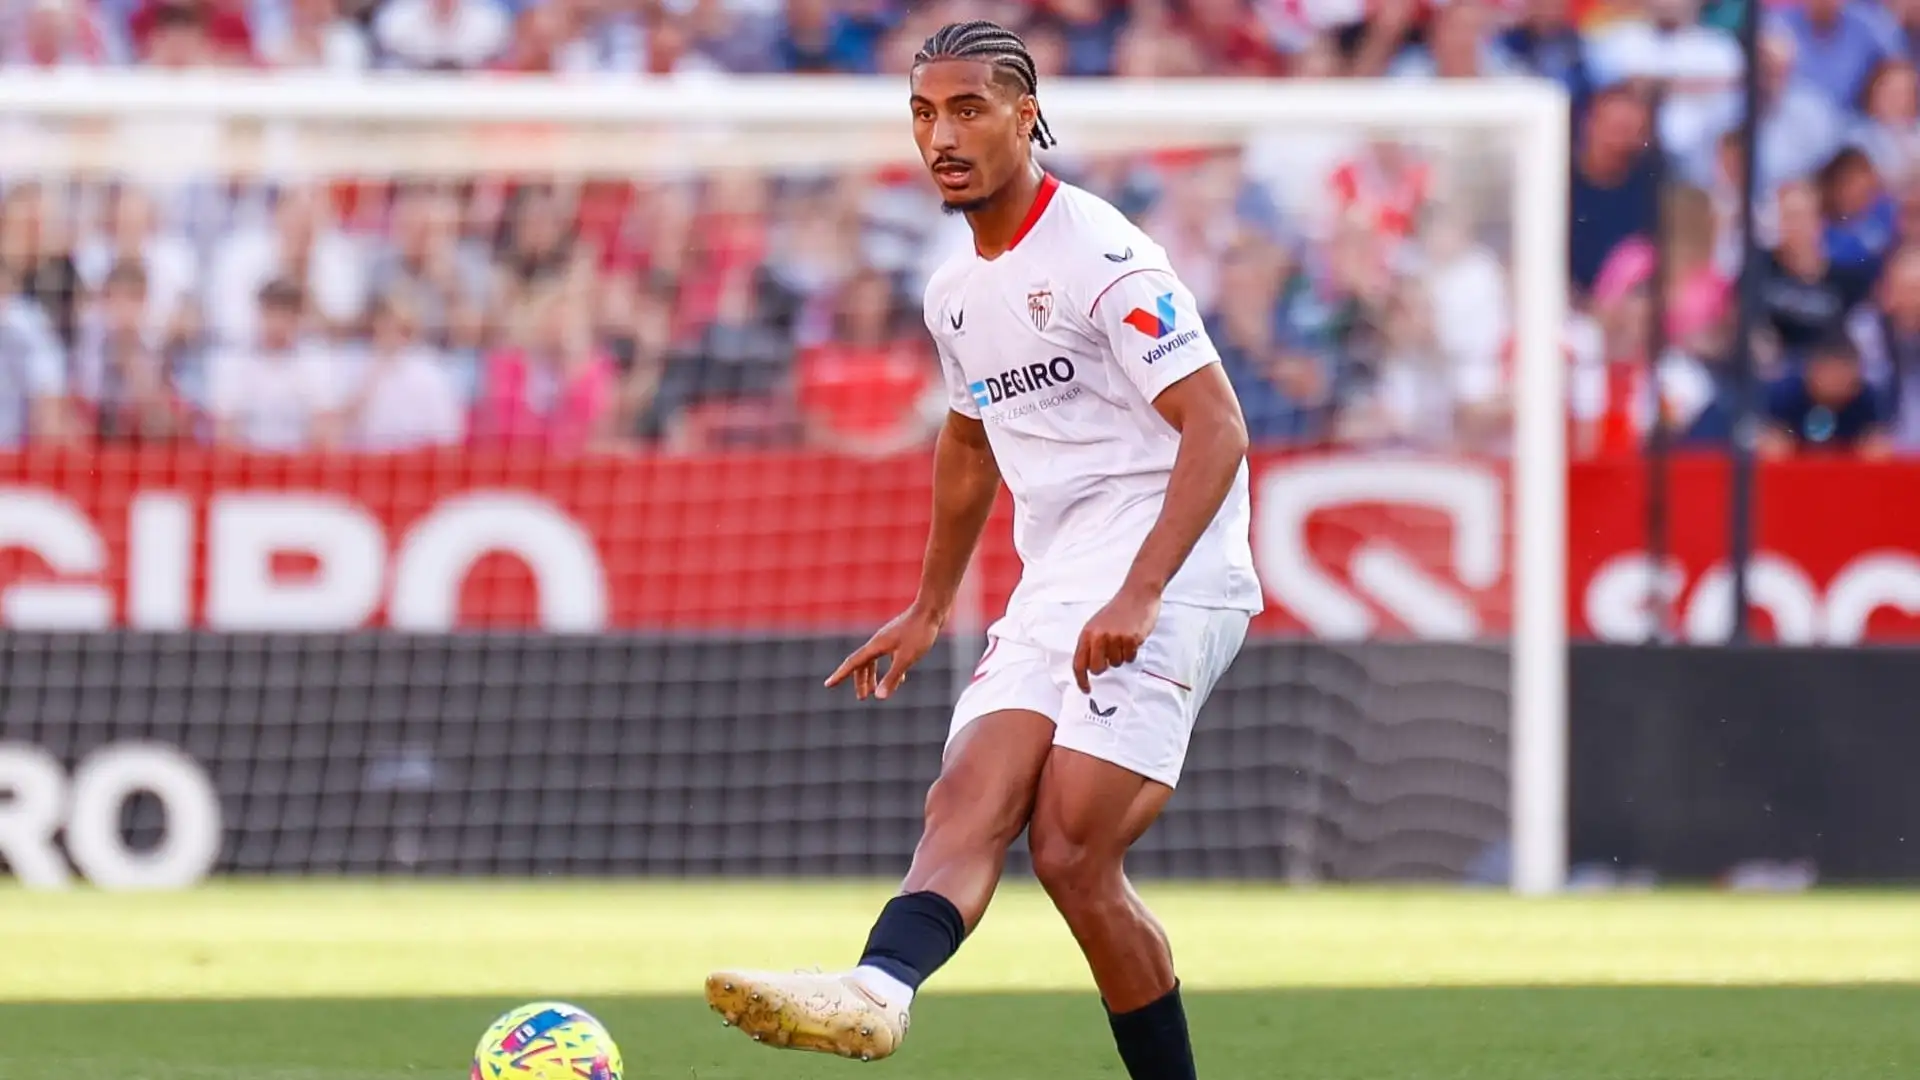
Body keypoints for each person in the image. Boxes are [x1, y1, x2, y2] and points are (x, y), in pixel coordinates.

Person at [704, 20, 1262, 1078]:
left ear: (1027, 115)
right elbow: (968, 445)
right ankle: (874, 992)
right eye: (923, 113)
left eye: (967, 109)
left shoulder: (1104, 256)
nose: (941, 136)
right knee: (966, 792)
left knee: (1069, 851)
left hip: (1171, 563)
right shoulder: (953, 290)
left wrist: (1142, 590)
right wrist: (927, 605)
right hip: (1061, 575)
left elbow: (1220, 428)